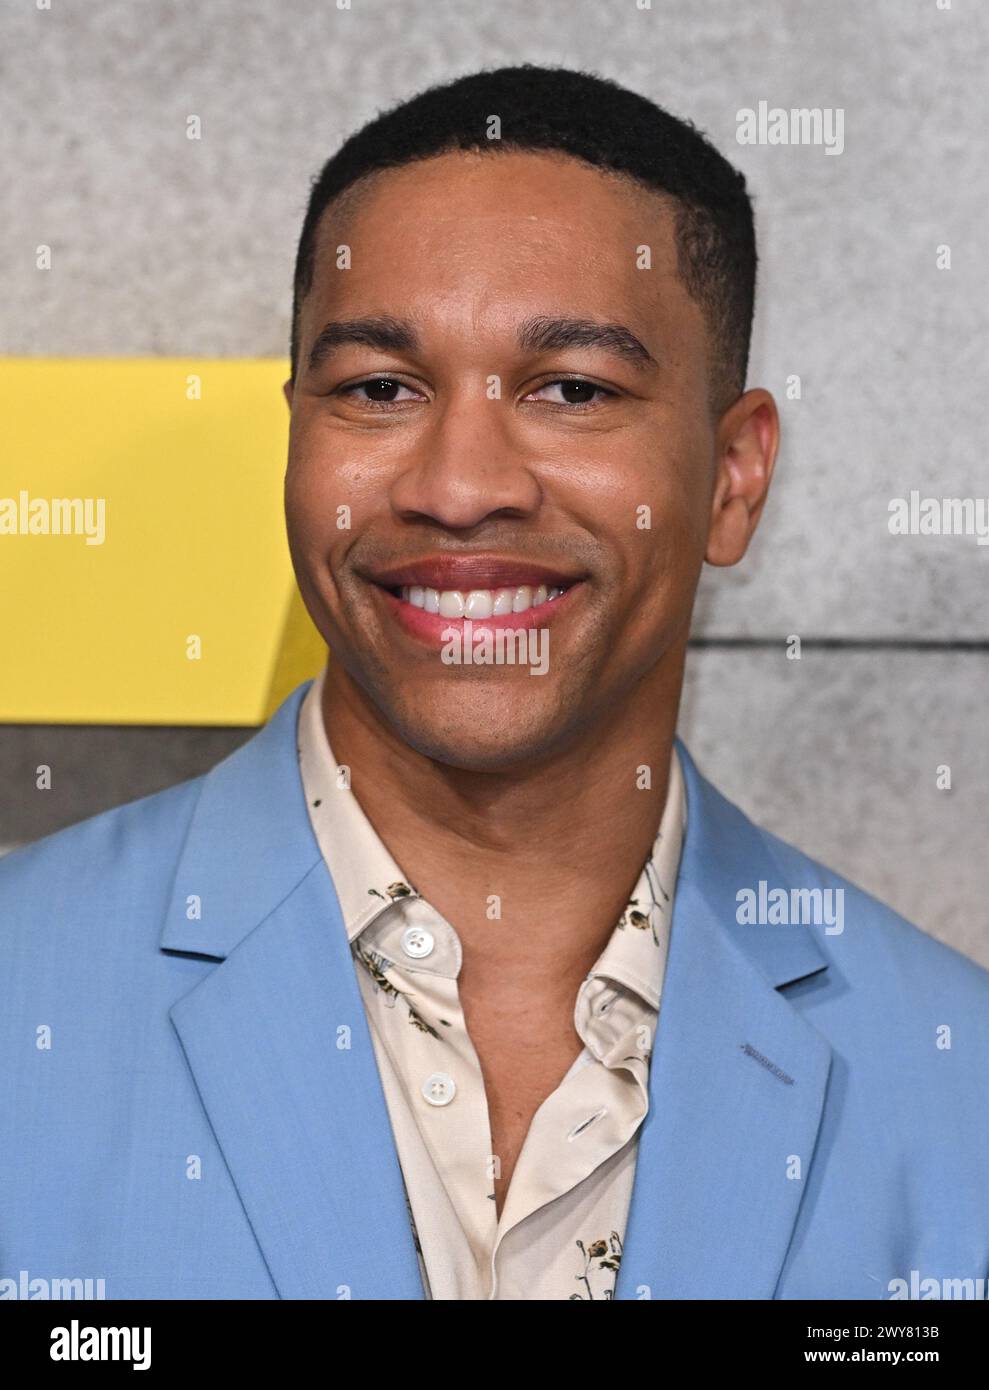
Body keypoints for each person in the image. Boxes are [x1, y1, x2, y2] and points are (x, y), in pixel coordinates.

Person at [2, 64, 987, 1303]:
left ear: (732, 477)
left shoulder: (958, 1082)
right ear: (296, 431)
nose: (459, 484)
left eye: (571, 390)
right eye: (379, 390)